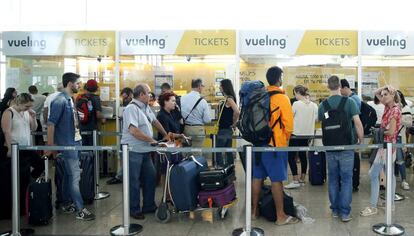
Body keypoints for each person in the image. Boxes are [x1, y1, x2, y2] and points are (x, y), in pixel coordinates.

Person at [251, 66, 299, 226]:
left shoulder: (260, 95)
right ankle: (280, 216)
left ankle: (253, 212)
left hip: (258, 144)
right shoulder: (282, 98)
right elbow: (289, 126)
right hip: (275, 145)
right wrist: (283, 142)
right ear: (279, 78)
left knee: (257, 177)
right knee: (276, 180)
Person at [46, 72, 95, 221]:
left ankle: (66, 203)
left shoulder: (71, 100)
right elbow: (51, 124)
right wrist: (50, 146)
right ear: (70, 84)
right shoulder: (59, 101)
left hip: (75, 143)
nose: (80, 85)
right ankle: (80, 209)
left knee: (70, 175)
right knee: (74, 176)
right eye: (78, 83)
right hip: (68, 145)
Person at [121, 83, 170, 220]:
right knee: (134, 181)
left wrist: (165, 135)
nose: (151, 95)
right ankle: (134, 209)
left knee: (150, 177)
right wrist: (152, 141)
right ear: (141, 94)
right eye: (148, 93)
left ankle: (148, 205)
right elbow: (133, 131)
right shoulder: (131, 108)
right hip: (133, 151)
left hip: (145, 151)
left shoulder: (146, 107)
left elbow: (154, 121)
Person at [319, 75, 364, 222]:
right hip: (347, 147)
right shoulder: (349, 102)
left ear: (328, 86)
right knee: (346, 179)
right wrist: (360, 141)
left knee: (332, 178)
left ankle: (335, 210)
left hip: (330, 147)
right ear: (340, 86)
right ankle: (345, 213)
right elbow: (357, 123)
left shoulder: (323, 105)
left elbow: (322, 121)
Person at [360, 86, 401, 217]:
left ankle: (373, 206)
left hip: (387, 147)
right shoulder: (388, 107)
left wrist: (378, 131)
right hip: (386, 146)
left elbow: (391, 131)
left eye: (386, 95)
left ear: (393, 95)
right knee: (389, 174)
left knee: (373, 174)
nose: (382, 97)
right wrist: (385, 87)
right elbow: (375, 93)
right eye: (382, 95)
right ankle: (390, 204)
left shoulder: (394, 110)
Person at [1, 93, 44, 178]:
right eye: (26, 106)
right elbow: (7, 131)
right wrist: (10, 148)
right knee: (21, 172)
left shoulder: (27, 112)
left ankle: (30, 182)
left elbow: (34, 128)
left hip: (26, 147)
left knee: (40, 165)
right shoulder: (9, 112)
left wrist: (34, 117)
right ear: (19, 103)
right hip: (15, 147)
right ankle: (23, 187)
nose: (29, 108)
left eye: (30, 106)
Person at [285, 85, 318, 189]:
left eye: (295, 93)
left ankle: (295, 180)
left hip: (296, 134)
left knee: (291, 156)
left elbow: (290, 117)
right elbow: (317, 119)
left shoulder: (296, 104)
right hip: (307, 134)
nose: (295, 96)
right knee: (303, 155)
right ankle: (302, 179)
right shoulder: (314, 105)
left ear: (298, 93)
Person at [107, 87, 134, 185]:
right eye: (123, 98)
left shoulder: (133, 107)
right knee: (123, 157)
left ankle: (121, 176)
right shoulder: (126, 107)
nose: (124, 100)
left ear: (131, 95)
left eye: (126, 98)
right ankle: (121, 176)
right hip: (125, 137)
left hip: (131, 138)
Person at [340, 79, 362, 192]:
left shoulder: (353, 100)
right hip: (350, 133)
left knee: (354, 159)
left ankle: (354, 183)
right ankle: (352, 182)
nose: (339, 91)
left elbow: (355, 120)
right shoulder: (351, 99)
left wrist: (360, 138)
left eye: (340, 88)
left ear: (344, 87)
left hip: (352, 133)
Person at [180, 78, 211, 149]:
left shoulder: (182, 98)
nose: (203, 88)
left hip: (186, 128)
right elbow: (207, 120)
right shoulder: (203, 101)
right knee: (197, 152)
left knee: (187, 152)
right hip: (198, 130)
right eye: (202, 86)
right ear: (199, 86)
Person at [215, 79, 239, 167]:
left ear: (225, 87)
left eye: (221, 86)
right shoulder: (228, 99)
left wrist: (234, 123)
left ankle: (220, 169)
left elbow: (237, 111)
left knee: (218, 151)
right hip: (227, 129)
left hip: (224, 129)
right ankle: (230, 171)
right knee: (228, 151)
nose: (219, 87)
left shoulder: (229, 99)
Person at [77, 79, 105, 146]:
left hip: (81, 127)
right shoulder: (96, 98)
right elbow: (98, 115)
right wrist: (103, 118)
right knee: (93, 148)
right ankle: (92, 157)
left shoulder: (80, 97)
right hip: (92, 128)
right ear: (95, 88)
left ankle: (84, 157)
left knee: (84, 148)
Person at [395, 90, 410, 190]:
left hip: (399, 137)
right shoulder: (390, 107)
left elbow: (409, 123)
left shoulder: (405, 108)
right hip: (390, 137)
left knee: (400, 160)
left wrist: (399, 117)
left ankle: (404, 180)